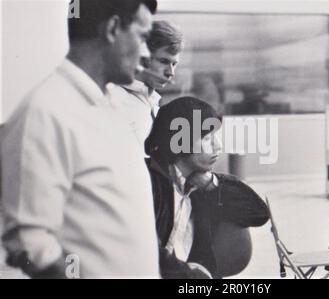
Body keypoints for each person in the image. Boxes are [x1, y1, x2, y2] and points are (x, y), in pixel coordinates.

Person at [1, 0, 160, 278]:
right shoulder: (45, 112)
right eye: (143, 36)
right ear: (112, 29)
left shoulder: (111, 107)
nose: (146, 52)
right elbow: (31, 244)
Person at [146, 96, 269, 278]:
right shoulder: (149, 181)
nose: (218, 146)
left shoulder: (198, 182)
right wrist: (191, 275)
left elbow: (259, 214)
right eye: (206, 138)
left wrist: (211, 184)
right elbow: (144, 247)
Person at [109, 20, 184, 146]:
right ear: (142, 57)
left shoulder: (152, 102)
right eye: (163, 61)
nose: (170, 72)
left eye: (174, 64)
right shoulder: (115, 99)